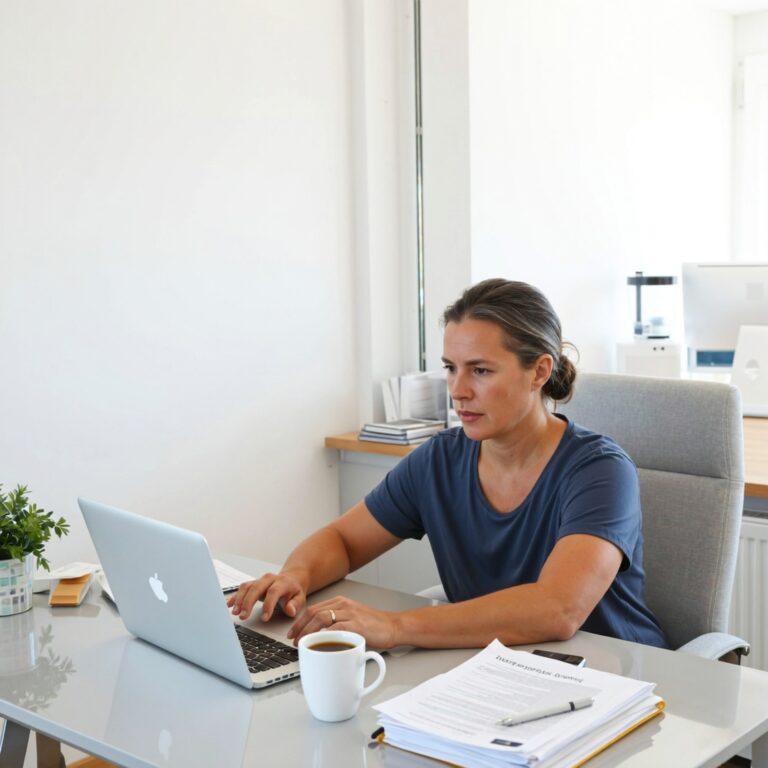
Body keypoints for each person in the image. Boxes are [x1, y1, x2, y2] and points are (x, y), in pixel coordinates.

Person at [228, 278, 669, 650]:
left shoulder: (600, 471)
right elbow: (343, 540)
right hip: (499, 677)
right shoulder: (440, 460)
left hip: (615, 681)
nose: (457, 391)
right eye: (450, 368)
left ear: (539, 372)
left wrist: (396, 626)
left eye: (480, 371)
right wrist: (295, 576)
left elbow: (558, 609)